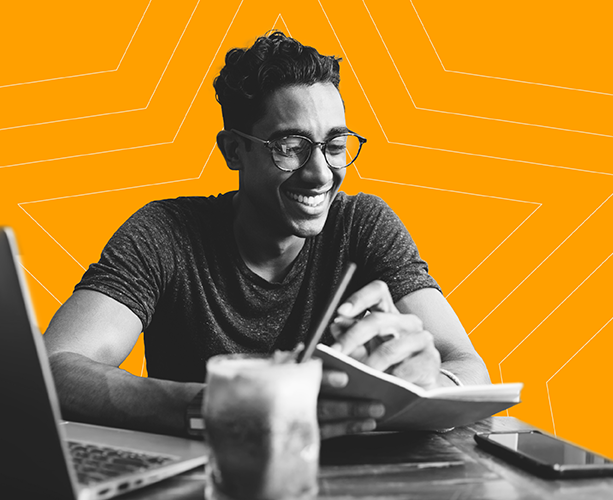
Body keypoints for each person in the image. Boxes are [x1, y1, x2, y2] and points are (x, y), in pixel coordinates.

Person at [43, 31, 490, 440]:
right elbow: (53, 367)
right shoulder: (166, 233)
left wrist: (432, 387)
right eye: (291, 147)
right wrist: (223, 407)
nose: (321, 174)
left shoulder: (363, 224)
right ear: (234, 150)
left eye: (335, 146)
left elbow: (471, 368)